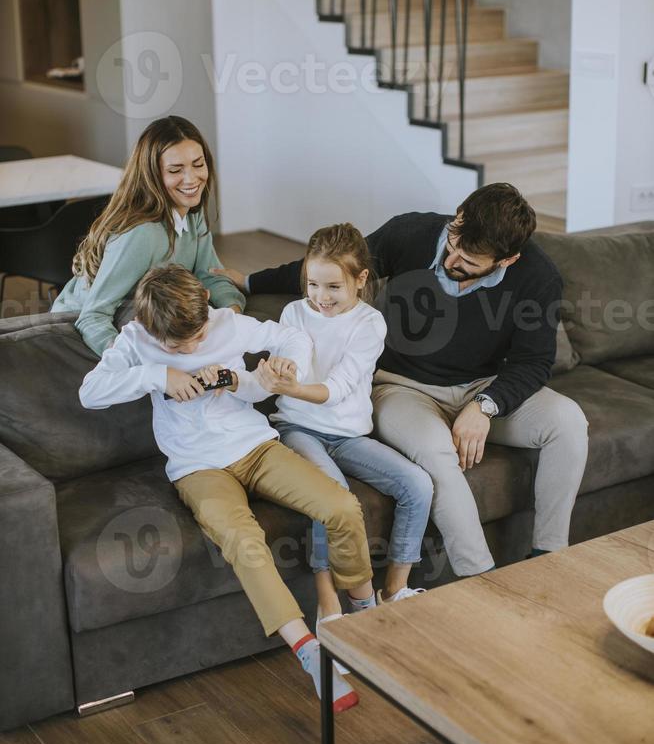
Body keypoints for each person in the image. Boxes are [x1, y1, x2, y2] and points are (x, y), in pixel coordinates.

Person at [217, 184, 589, 578]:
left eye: (470, 259)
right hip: (402, 388)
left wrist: (485, 406)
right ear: (458, 215)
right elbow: (334, 266)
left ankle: (549, 559)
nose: (453, 257)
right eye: (455, 240)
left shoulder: (538, 276)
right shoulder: (411, 232)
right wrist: (251, 282)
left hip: (484, 387)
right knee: (435, 451)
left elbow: (534, 362)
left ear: (508, 259)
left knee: (568, 422)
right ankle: (480, 577)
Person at [79, 264, 376, 713]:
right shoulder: (135, 340)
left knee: (341, 507)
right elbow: (91, 392)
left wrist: (279, 366)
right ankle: (311, 654)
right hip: (198, 467)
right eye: (181, 345)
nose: (195, 347)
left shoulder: (227, 323)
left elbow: (291, 338)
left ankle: (366, 613)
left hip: (255, 444)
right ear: (152, 331)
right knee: (243, 540)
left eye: (198, 336)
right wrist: (158, 377)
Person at [254, 222, 433, 642]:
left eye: (333, 286)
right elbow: (289, 361)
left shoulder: (370, 324)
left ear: (361, 279)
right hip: (297, 427)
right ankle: (328, 600)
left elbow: (337, 389)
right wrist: (281, 373)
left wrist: (293, 385)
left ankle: (394, 589)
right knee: (332, 495)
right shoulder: (294, 313)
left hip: (349, 435)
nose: (321, 297)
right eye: (312, 284)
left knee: (418, 485)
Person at [52, 116, 245, 356]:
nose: (192, 179)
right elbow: (93, 315)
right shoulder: (142, 234)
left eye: (198, 164)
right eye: (176, 170)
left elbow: (211, 275)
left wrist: (235, 318)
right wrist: (134, 366)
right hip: (75, 326)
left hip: (137, 314)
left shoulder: (192, 214)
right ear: (152, 176)